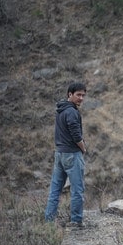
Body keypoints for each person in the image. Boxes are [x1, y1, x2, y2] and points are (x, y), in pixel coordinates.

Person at [45, 82, 88, 227]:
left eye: (83, 95)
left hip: (59, 154)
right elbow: (76, 136)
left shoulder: (61, 109)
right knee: (77, 190)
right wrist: (83, 148)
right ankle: (76, 221)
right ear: (70, 94)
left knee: (55, 190)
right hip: (71, 154)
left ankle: (49, 221)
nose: (81, 98)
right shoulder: (71, 112)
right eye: (78, 95)